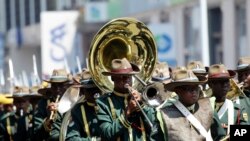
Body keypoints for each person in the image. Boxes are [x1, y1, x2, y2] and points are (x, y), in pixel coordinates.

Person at [95, 58, 157, 140]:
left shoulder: (142, 97)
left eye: (130, 76)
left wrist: (142, 104)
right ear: (113, 78)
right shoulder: (103, 102)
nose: (127, 79)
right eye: (123, 77)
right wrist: (127, 113)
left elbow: (155, 127)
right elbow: (106, 134)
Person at [155, 69, 226, 141]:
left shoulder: (208, 106)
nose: (194, 92)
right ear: (177, 91)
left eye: (196, 87)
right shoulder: (164, 114)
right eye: (189, 88)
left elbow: (220, 136)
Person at [207, 64, 248, 134]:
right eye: (220, 81)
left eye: (227, 81)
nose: (225, 84)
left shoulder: (238, 109)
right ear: (210, 84)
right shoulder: (201, 107)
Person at [33, 69, 72, 141]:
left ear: (67, 86)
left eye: (61, 85)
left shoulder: (73, 101)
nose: (57, 89)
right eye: (54, 86)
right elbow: (36, 134)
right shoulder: (43, 103)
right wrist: (48, 119)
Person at [65, 69, 102, 141]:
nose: (94, 92)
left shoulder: (109, 103)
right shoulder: (77, 110)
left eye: (96, 88)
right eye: (89, 89)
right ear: (82, 91)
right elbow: (71, 138)